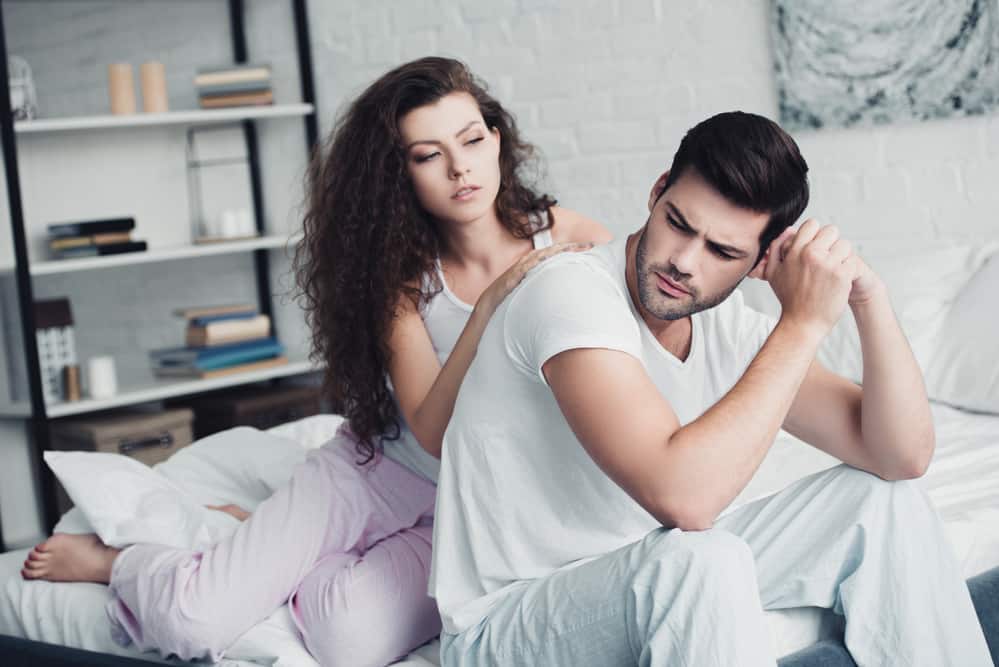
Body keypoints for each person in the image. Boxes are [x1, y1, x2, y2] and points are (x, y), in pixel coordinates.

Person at [20, 56, 610, 666]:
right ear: (397, 174)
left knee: (345, 640)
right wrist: (490, 305)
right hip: (378, 472)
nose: (461, 167)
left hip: (471, 511)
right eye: (428, 155)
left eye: (470, 140)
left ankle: (239, 532)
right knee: (192, 622)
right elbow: (433, 432)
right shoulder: (402, 278)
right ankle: (125, 561)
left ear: (496, 140)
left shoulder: (570, 239)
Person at [430, 111, 993, 666]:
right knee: (703, 558)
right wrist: (802, 323)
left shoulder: (728, 328)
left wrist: (867, 297)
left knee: (880, 502)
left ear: (761, 261)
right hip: (506, 624)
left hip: (636, 575)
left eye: (722, 252)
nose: (683, 262)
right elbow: (685, 499)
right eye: (678, 223)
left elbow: (901, 455)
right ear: (656, 193)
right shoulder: (568, 294)